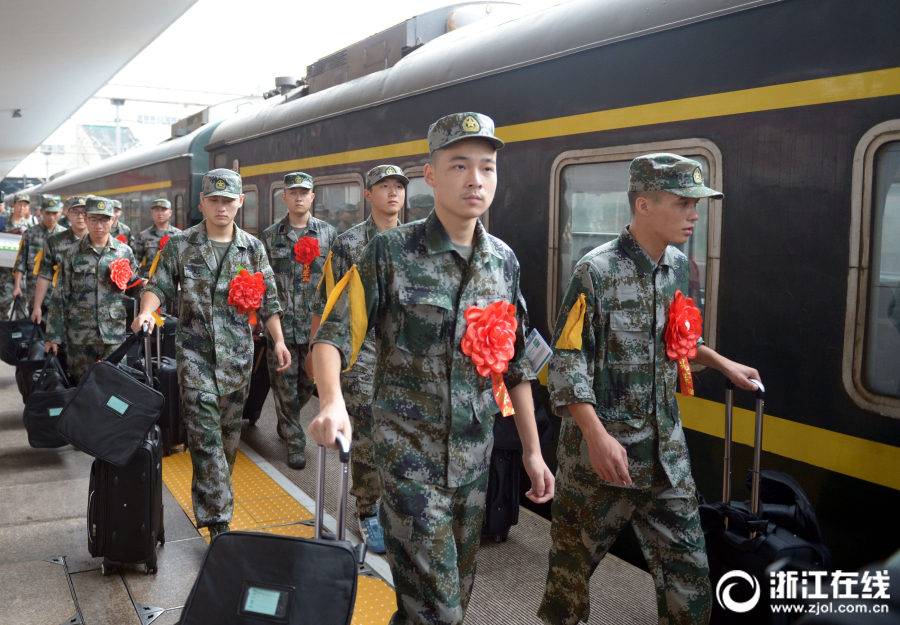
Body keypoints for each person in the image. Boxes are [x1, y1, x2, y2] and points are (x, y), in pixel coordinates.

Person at [309, 112, 555, 625]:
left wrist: (533, 452)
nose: (475, 180)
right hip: (407, 463)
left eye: (487, 168)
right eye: (460, 165)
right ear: (431, 175)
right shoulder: (391, 253)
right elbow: (333, 334)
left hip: (473, 464)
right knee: (440, 612)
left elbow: (516, 364)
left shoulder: (502, 262)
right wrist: (332, 399)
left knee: (446, 601)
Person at [537, 154, 762, 625]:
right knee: (568, 588)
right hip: (601, 463)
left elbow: (678, 339)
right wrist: (597, 438)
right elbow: (567, 360)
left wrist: (723, 365)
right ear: (644, 205)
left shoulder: (678, 268)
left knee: (692, 581)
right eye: (684, 204)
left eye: (696, 204)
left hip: (665, 458)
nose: (694, 215)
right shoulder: (594, 272)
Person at [132, 169, 291, 539]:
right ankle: (218, 522)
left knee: (227, 442)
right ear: (202, 203)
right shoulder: (181, 245)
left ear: (240, 202)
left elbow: (268, 300)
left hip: (237, 360)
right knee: (205, 441)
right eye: (214, 200)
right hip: (195, 358)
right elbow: (158, 286)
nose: (221, 207)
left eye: (228, 200)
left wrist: (279, 340)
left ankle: (217, 501)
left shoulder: (251, 248)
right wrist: (145, 311)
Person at [308, 164, 408, 554]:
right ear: (368, 195)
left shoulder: (415, 242)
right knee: (366, 436)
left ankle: (395, 505)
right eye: (384, 187)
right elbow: (327, 301)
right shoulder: (349, 243)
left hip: (401, 352)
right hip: (360, 351)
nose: (392, 193)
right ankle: (369, 510)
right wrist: (318, 355)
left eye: (398, 186)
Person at [260, 172, 336, 469]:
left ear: (312, 197)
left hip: (315, 328)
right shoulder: (269, 236)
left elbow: (335, 280)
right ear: (285, 198)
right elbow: (262, 283)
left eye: (305, 192)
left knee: (306, 386)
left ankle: (286, 420)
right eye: (293, 193)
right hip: (280, 327)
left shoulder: (329, 235)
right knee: (283, 387)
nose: (299, 197)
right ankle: (295, 441)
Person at [45, 196, 141, 381]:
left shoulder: (124, 252)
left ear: (112, 220)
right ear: (86, 219)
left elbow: (132, 285)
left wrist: (150, 290)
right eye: (94, 219)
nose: (99, 225)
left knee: (116, 387)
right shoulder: (71, 253)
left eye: (104, 219)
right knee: (82, 387)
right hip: (80, 337)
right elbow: (60, 296)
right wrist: (53, 336)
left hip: (114, 335)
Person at [31, 195, 88, 324]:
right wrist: (37, 307)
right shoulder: (54, 241)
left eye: (84, 212)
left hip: (90, 313)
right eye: (75, 212)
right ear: (67, 214)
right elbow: (44, 275)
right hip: (60, 308)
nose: (80, 216)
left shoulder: (99, 241)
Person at [13, 194, 65, 313]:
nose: (51, 217)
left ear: (60, 212)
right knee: (34, 328)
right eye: (47, 213)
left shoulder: (65, 235)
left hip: (57, 293)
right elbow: (21, 263)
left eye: (55, 213)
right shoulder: (30, 234)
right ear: (41, 212)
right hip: (34, 290)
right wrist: (17, 286)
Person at [133, 198, 182, 279]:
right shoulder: (144, 235)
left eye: (163, 210)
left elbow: (183, 261)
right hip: (149, 281)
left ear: (170, 212)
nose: (160, 213)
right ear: (152, 213)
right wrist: (136, 279)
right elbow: (135, 260)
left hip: (172, 281)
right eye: (156, 210)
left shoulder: (178, 235)